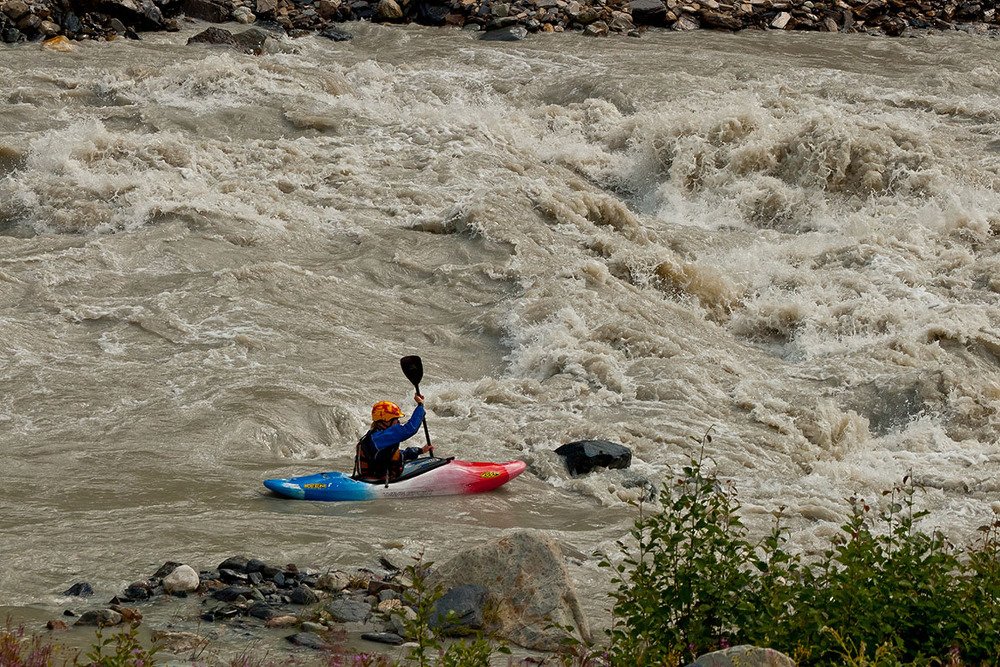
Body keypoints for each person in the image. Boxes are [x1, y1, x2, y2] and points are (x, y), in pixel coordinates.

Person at [353, 393, 432, 482]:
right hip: (380, 481)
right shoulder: (382, 437)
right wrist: (420, 406)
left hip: (373, 477)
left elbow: (391, 455)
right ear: (386, 420)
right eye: (396, 419)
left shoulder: (375, 435)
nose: (398, 422)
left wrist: (419, 451)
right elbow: (410, 429)